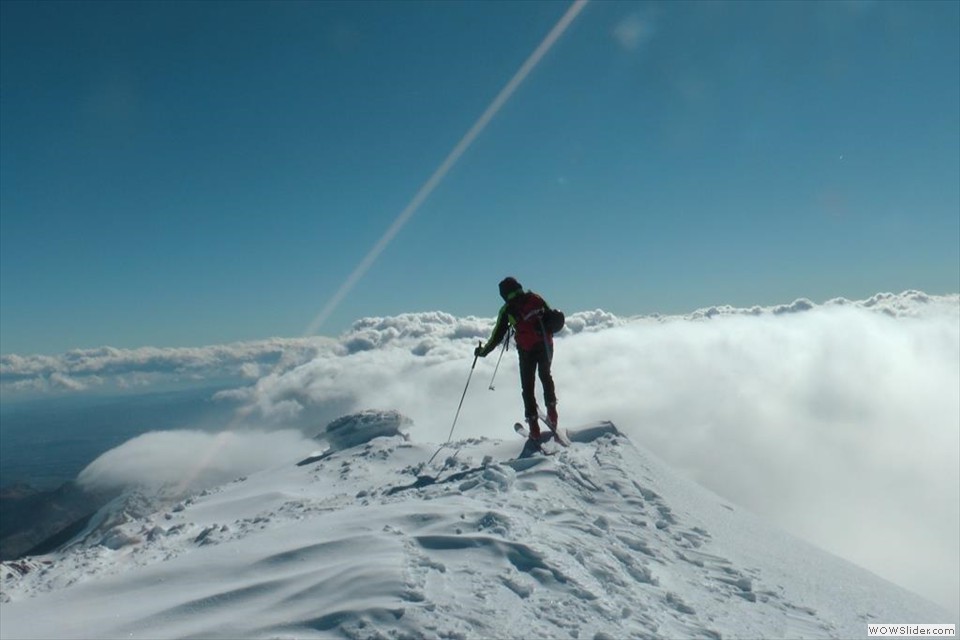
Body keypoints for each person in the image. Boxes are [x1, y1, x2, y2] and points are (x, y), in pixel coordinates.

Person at [475, 277, 559, 440]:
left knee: (527, 387)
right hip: (546, 345)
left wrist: (482, 352)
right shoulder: (536, 298)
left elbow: (496, 337)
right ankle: (553, 413)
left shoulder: (507, 310)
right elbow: (551, 316)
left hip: (526, 350)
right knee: (546, 376)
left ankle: (534, 427)